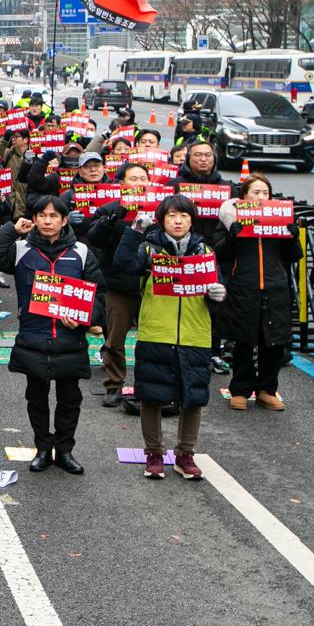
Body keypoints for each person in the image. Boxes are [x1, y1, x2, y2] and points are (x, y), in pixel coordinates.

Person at [0, 195, 105, 475]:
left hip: (70, 340)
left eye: (53, 216)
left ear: (64, 220)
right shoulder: (21, 249)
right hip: (33, 338)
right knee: (36, 399)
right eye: (42, 216)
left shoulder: (81, 252)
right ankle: (42, 449)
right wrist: (12, 228)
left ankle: (64, 451)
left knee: (69, 400)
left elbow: (99, 294)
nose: (47, 221)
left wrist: (84, 319)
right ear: (34, 219)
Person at [114, 195, 225, 480]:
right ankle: (154, 453)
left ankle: (185, 454)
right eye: (172, 215)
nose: (178, 221)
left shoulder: (205, 252)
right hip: (156, 333)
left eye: (184, 216)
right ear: (162, 219)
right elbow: (122, 264)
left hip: (195, 335)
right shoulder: (149, 249)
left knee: (193, 398)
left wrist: (218, 294)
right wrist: (134, 232)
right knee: (152, 396)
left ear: (192, 220)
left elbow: (217, 287)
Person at [215, 175, 301, 411]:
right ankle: (240, 389)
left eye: (265, 193)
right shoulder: (231, 217)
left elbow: (295, 256)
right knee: (244, 340)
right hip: (244, 287)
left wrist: (292, 237)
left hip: (275, 288)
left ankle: (267, 390)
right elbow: (218, 253)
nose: (261, 197)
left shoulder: (279, 218)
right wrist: (232, 235)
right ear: (243, 196)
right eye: (255, 192)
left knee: (273, 342)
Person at [85, 162, 150, 406]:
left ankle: (147, 385)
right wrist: (109, 221)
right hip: (118, 284)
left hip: (152, 285)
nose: (139, 183)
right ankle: (114, 384)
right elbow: (95, 239)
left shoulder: (160, 208)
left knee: (152, 340)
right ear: (121, 184)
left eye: (143, 178)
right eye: (133, 179)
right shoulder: (111, 207)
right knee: (114, 339)